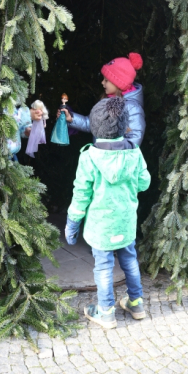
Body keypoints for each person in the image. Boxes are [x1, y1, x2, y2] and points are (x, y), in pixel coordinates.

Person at [65, 98, 151, 329]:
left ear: (94, 126)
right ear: (125, 126)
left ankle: (106, 313)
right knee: (130, 262)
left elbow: (81, 194)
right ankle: (136, 304)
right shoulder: (135, 153)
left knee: (103, 267)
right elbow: (144, 183)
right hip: (125, 223)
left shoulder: (89, 157)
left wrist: (72, 222)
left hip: (100, 227)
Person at [60, 52, 146, 146]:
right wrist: (71, 118)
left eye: (106, 80)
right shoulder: (106, 101)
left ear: (118, 83)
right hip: (101, 157)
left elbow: (134, 140)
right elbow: (92, 123)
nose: (102, 83)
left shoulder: (132, 107)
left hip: (117, 159)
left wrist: (113, 151)